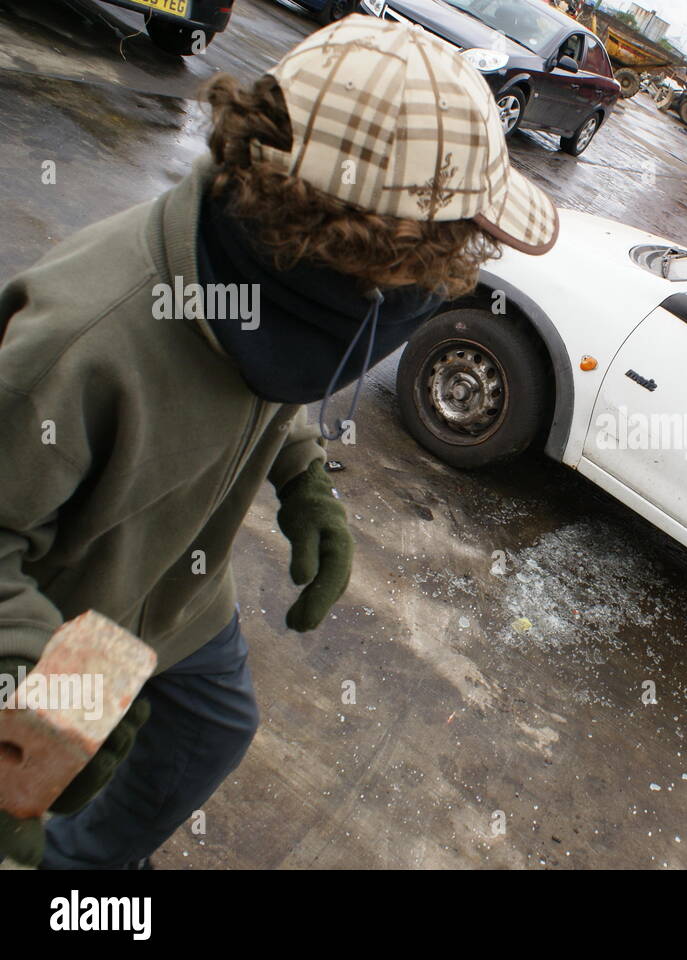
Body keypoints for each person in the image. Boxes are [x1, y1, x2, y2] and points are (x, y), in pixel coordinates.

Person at [0, 14, 558, 869]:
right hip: (80, 614)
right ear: (364, 241)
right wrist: (40, 688)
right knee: (23, 815)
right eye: (444, 241)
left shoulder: (282, 291)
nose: (453, 273)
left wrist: (305, 484)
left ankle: (91, 867)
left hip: (182, 587)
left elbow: (264, 390)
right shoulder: (89, 338)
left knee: (214, 730)